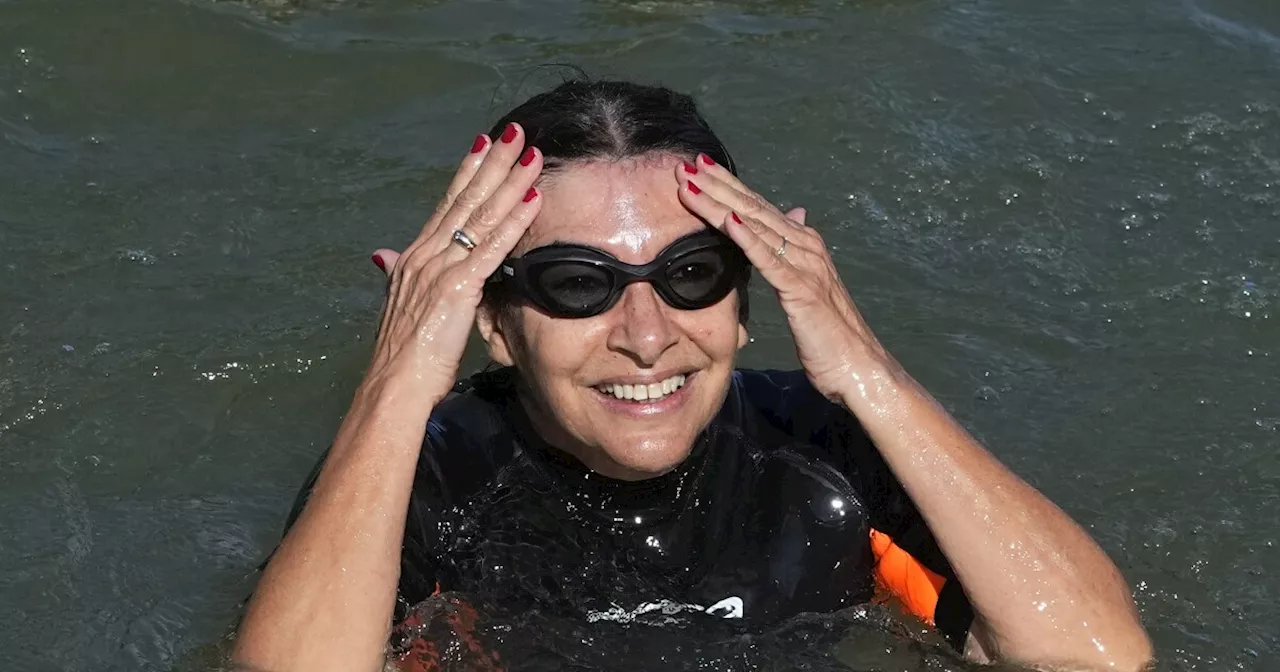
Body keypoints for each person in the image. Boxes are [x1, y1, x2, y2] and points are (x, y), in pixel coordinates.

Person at [232, 80, 1153, 672]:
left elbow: (1098, 658)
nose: (647, 335)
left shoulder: (823, 453)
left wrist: (869, 373)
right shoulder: (426, 473)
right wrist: (395, 384)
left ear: (747, 299)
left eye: (690, 275)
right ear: (496, 324)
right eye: (579, 285)